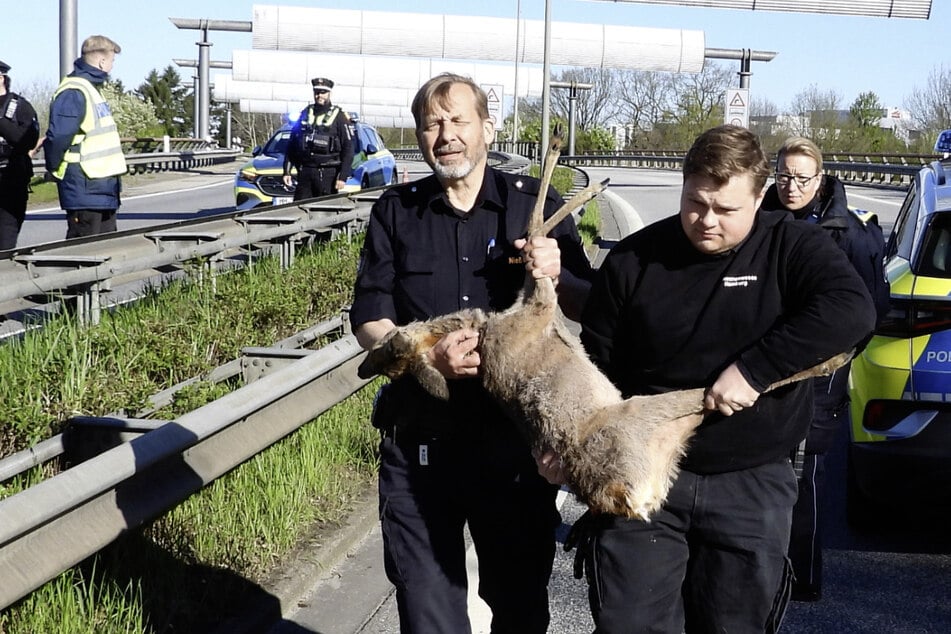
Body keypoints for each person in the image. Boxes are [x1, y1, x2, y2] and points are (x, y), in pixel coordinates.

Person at [568, 124, 875, 633]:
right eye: (695, 203)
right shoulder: (634, 260)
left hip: (750, 479)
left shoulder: (791, 246)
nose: (707, 220)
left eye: (727, 210)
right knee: (628, 623)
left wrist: (754, 370)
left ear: (761, 197)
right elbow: (594, 367)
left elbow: (852, 311)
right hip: (644, 476)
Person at [349, 72, 592, 633]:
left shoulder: (534, 207)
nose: (446, 135)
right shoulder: (396, 211)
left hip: (512, 449)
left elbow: (589, 306)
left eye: (458, 120)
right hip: (420, 444)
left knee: (521, 607)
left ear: (487, 128)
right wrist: (422, 360)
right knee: (428, 610)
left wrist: (559, 275)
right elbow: (369, 318)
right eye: (432, 123)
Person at [760, 136, 889, 602]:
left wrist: (836, 361)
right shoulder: (760, 218)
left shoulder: (848, 233)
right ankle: (758, 569)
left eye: (801, 178)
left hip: (822, 367)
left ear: (820, 178)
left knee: (806, 470)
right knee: (761, 463)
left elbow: (870, 307)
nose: (791, 186)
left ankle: (802, 578)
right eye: (784, 176)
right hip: (767, 359)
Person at [44, 35, 126, 239]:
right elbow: (59, 137)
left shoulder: (91, 90)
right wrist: (53, 167)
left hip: (100, 185)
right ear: (102, 61)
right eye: (112, 61)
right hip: (84, 184)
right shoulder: (75, 91)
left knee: (104, 250)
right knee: (82, 250)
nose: (112, 67)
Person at [282, 77, 354, 200]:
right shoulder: (305, 113)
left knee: (325, 212)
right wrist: (287, 171)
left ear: (329, 93)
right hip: (306, 171)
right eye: (316, 92)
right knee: (300, 209)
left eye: (323, 93)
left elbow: (348, 148)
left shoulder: (339, 117)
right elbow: (292, 144)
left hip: (328, 173)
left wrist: (342, 176)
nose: (319, 96)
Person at [0, 60, 40, 251]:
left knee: (5, 241)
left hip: (10, 181)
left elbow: (26, 140)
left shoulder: (19, 107)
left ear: (1, 78)